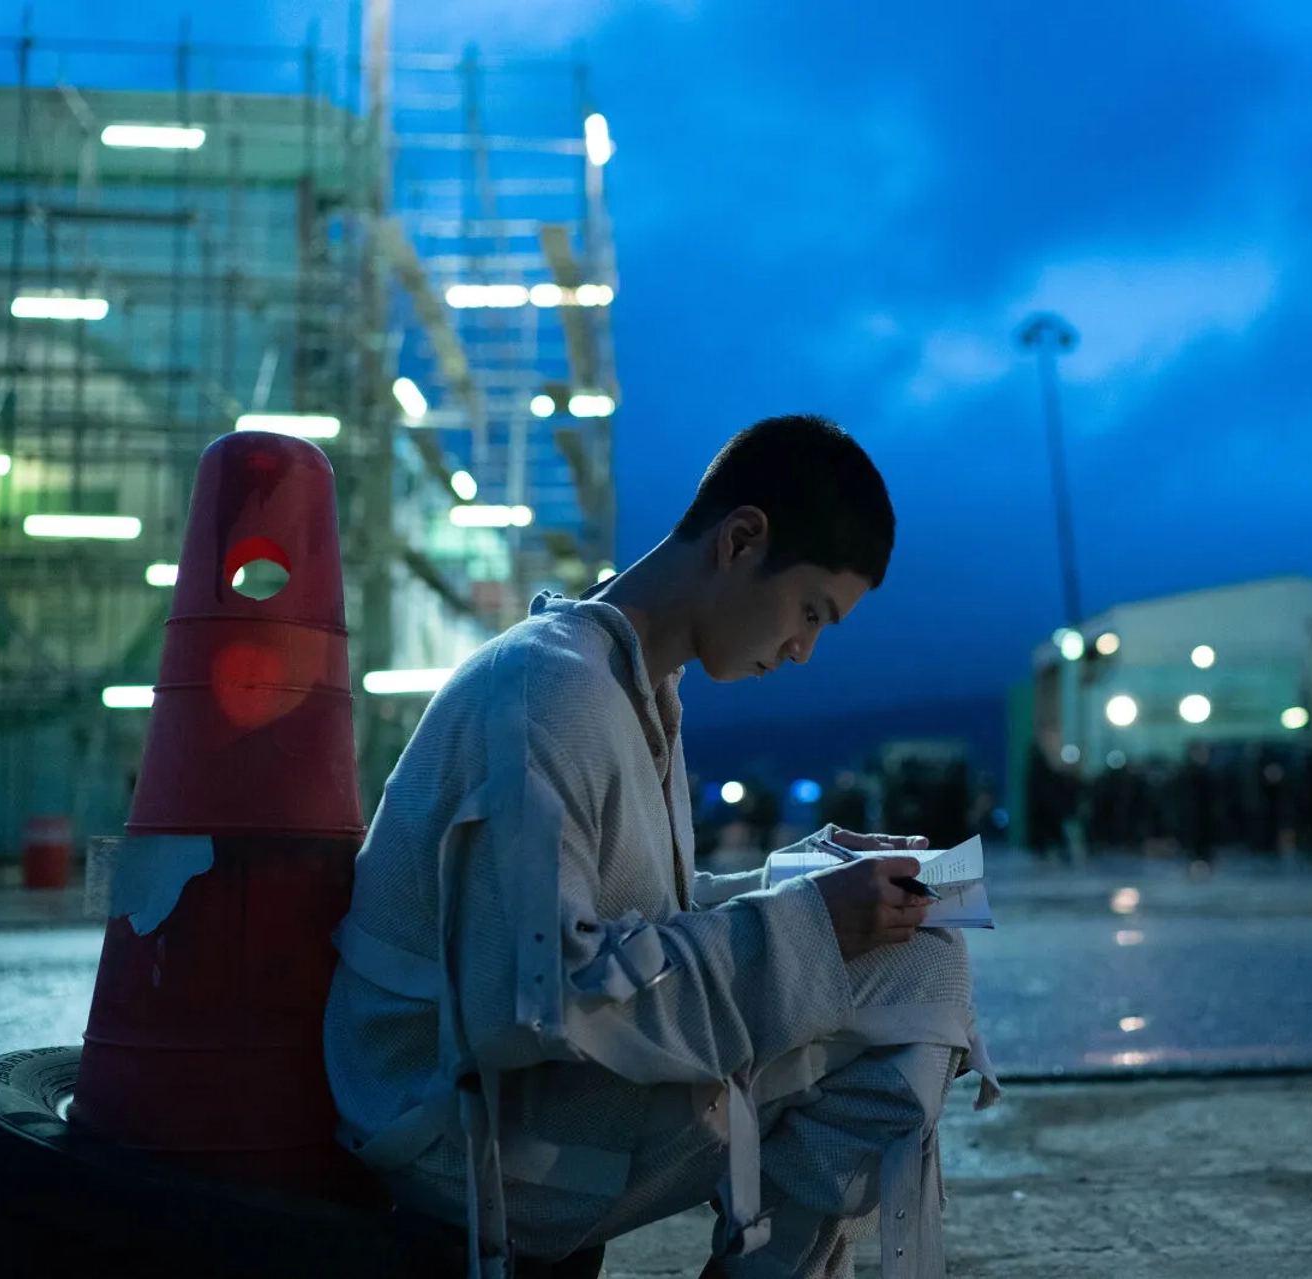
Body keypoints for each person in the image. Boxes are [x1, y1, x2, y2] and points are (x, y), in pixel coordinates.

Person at [324, 415, 998, 1279]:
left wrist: (804, 883)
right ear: (742, 539)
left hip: (505, 1106)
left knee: (914, 948)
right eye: (809, 611)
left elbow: (637, 923)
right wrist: (814, 928)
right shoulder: (550, 689)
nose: (803, 650)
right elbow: (539, 995)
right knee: (922, 972)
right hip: (462, 1144)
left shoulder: (631, 687)